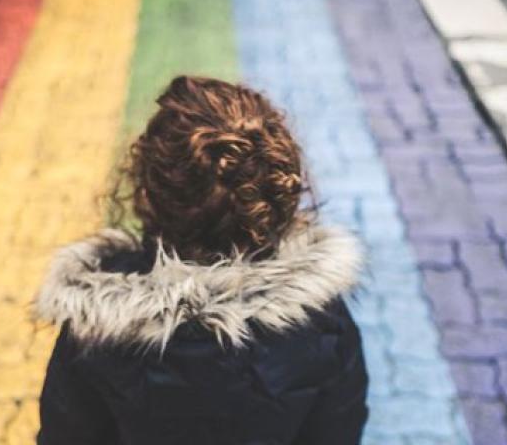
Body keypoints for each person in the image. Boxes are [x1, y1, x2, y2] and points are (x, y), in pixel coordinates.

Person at [35, 75, 369, 444]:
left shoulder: (96, 326)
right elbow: (338, 431)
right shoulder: (322, 322)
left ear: (147, 193)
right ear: (276, 194)